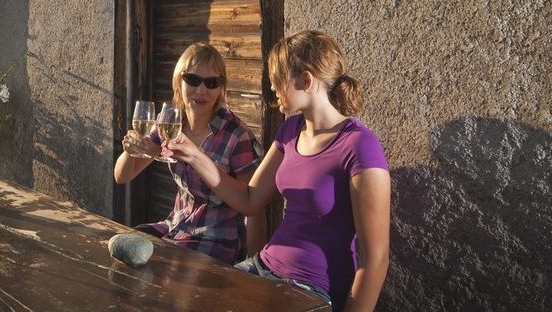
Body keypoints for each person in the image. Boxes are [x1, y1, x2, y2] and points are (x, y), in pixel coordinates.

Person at [164, 30, 390, 312]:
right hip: (262, 268)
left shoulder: (359, 145)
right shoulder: (290, 131)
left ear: (306, 80)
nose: (272, 87)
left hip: (312, 289)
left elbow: (375, 257)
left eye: (277, 79)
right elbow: (250, 201)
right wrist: (196, 157)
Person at [114, 42, 265, 264]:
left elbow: (255, 208)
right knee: (121, 249)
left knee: (159, 271)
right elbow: (122, 176)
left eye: (211, 82)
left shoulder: (236, 135)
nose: (201, 90)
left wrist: (255, 268)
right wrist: (131, 151)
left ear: (221, 88)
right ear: (179, 81)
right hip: (176, 227)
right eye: (193, 80)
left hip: (217, 240)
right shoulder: (171, 122)